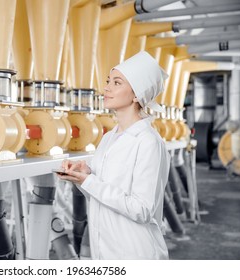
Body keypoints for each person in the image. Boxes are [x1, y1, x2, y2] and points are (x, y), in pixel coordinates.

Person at [58, 51, 170, 260]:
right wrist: (83, 177)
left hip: (136, 252)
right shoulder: (109, 138)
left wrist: (90, 181)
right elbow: (100, 196)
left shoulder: (148, 142)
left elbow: (142, 209)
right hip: (106, 252)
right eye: (108, 81)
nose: (107, 88)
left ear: (137, 94)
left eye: (117, 83)